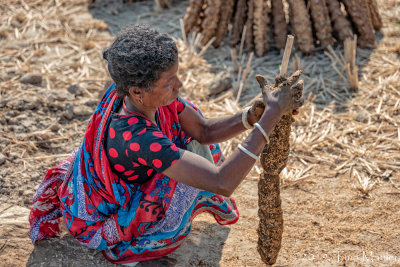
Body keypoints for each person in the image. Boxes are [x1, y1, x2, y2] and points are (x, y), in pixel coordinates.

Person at [29, 25, 303, 266]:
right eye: (169, 82)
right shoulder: (137, 137)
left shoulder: (142, 95)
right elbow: (222, 182)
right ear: (137, 92)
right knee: (186, 175)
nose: (179, 85)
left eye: (176, 76)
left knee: (191, 141)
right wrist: (269, 119)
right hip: (113, 211)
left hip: (141, 171)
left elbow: (204, 131)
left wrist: (252, 116)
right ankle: (135, 255)